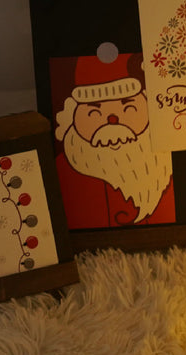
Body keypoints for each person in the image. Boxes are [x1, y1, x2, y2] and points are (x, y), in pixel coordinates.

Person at [53, 52, 175, 228]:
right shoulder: (63, 172)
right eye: (94, 112)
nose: (112, 120)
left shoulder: (165, 164)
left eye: (128, 107)